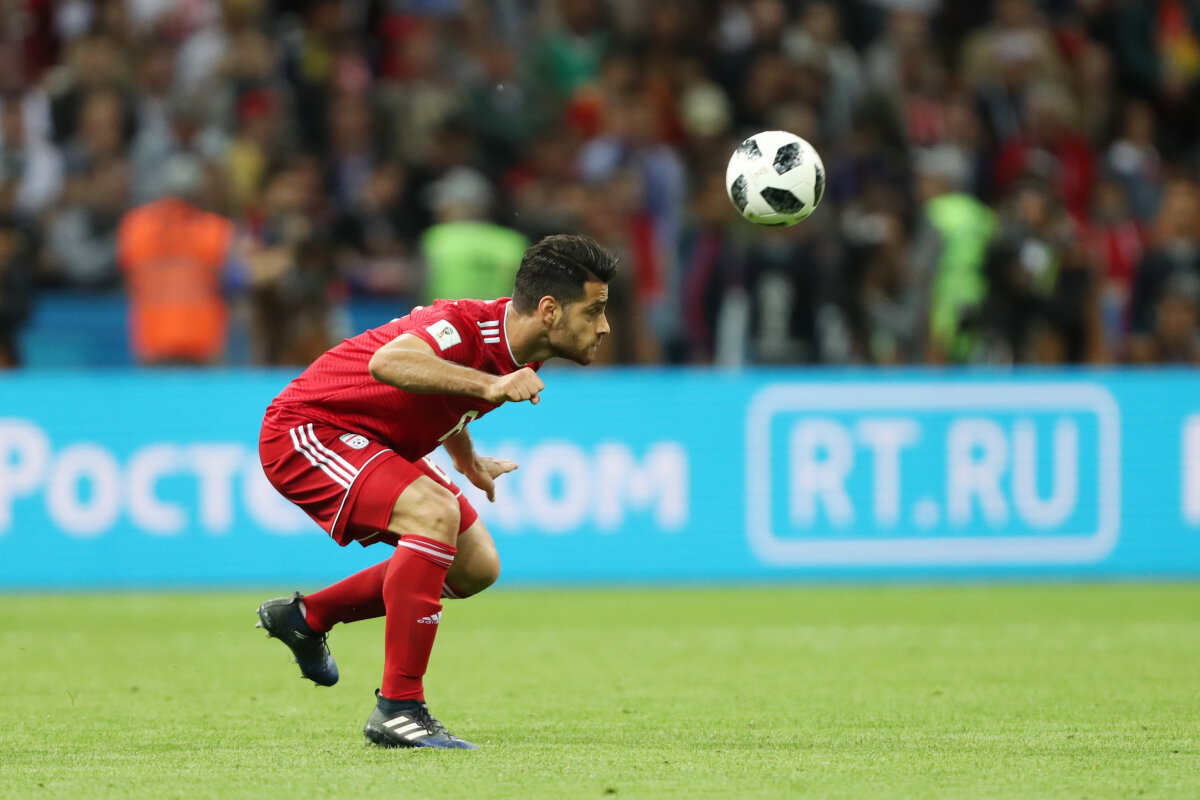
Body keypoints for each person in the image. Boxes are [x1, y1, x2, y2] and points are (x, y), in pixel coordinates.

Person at [254, 233, 615, 749]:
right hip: (307, 429)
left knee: (476, 566)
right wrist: (490, 387)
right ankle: (399, 708)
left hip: (374, 440)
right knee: (434, 514)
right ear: (550, 310)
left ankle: (307, 617)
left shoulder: (523, 350)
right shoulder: (462, 326)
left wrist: (466, 459)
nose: (604, 326)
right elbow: (389, 363)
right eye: (594, 311)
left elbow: (441, 396)